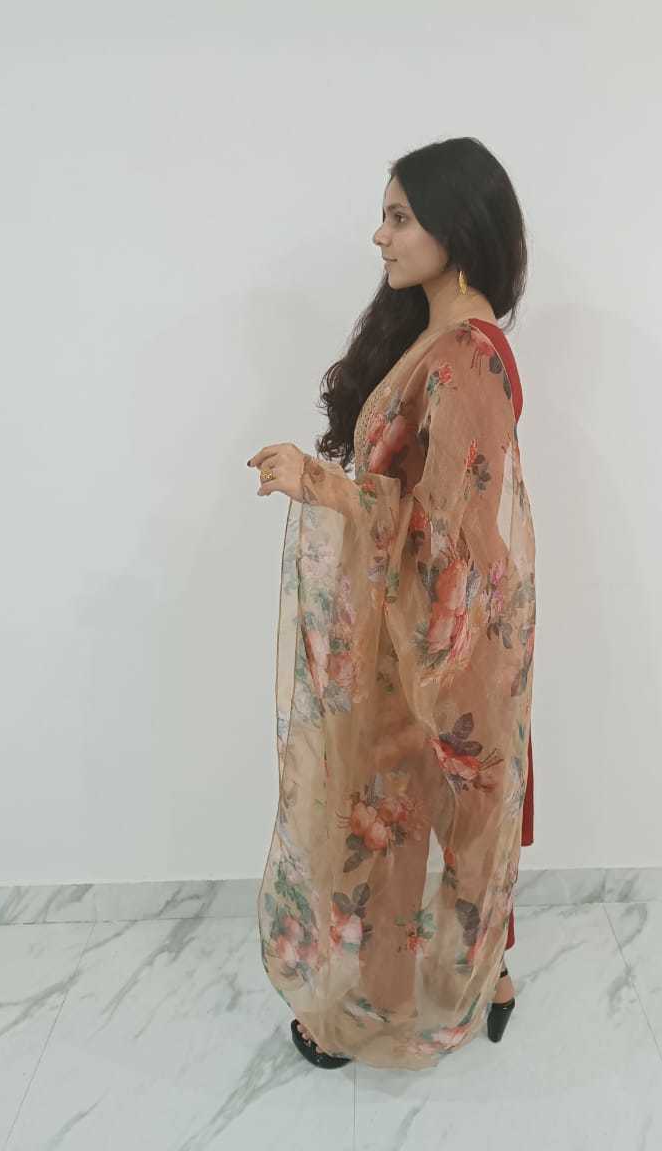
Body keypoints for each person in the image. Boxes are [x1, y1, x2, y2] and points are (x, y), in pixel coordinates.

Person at [247, 136, 536, 1070]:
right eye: (385, 216)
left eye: (400, 217)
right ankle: (491, 978)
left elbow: (446, 536)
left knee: (399, 812)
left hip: (437, 642)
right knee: (428, 810)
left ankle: (372, 1010)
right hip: (421, 632)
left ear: (458, 227)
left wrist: (319, 486)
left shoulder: (463, 359)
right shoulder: (435, 339)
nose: (380, 236)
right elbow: (427, 505)